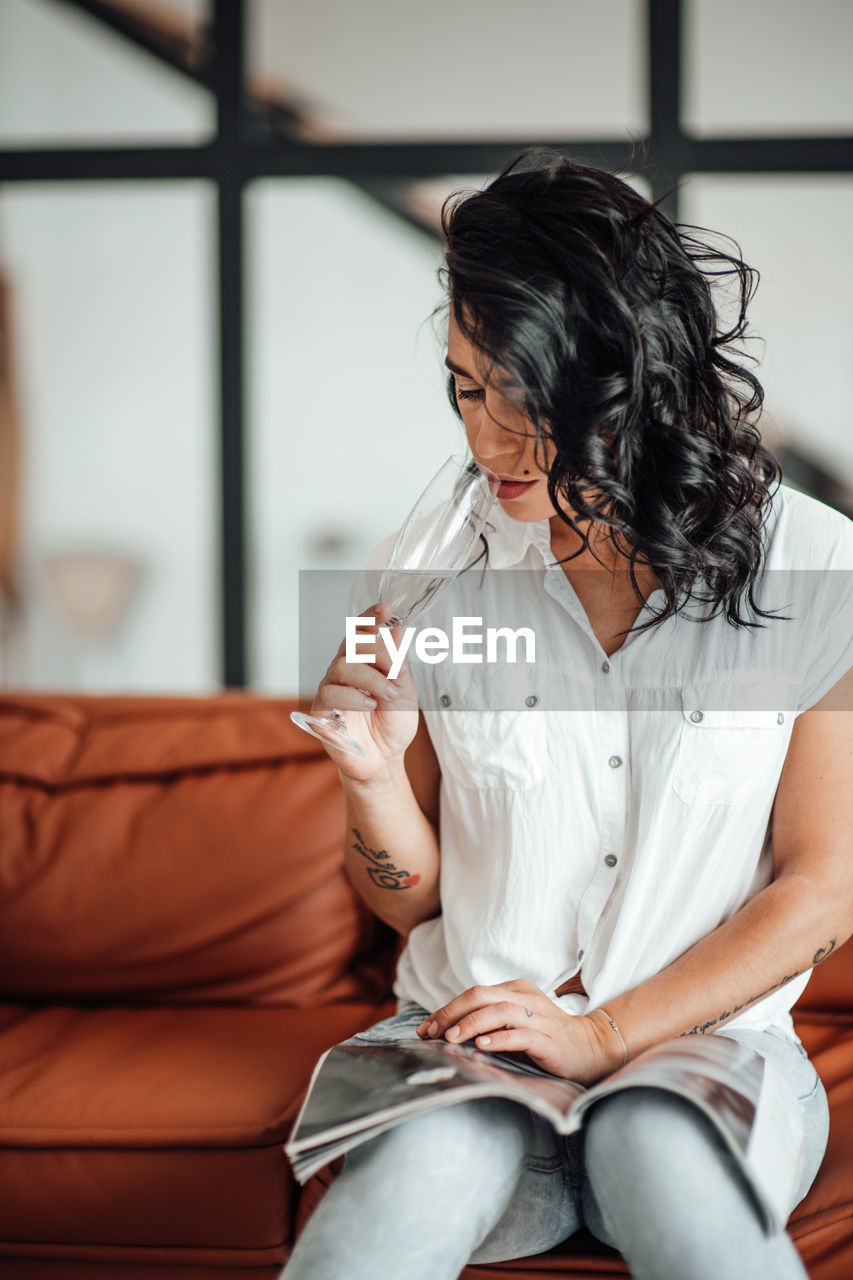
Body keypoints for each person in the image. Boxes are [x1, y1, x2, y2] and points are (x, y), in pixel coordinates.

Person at [282, 149, 853, 1280]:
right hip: (472, 1052)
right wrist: (370, 773)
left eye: (523, 397)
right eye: (463, 386)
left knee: (658, 1145)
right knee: (412, 1184)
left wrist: (601, 1035)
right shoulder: (427, 581)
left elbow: (821, 887)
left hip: (709, 1052)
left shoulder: (813, 564)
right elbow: (413, 900)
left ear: (629, 376)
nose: (486, 442)